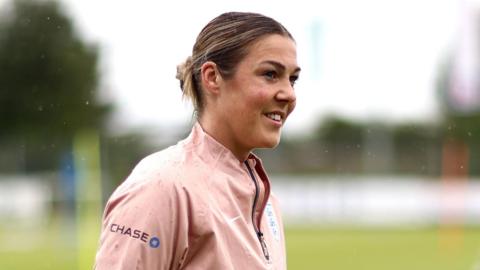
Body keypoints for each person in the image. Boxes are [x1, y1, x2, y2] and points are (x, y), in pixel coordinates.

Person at [94, 11, 300, 270]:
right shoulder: (160, 188)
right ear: (212, 77)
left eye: (293, 79)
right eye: (270, 74)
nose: (289, 94)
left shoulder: (265, 199)